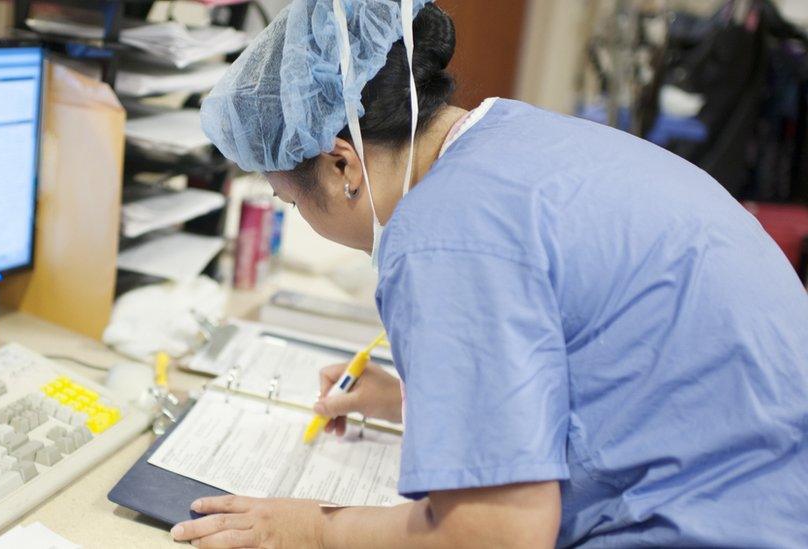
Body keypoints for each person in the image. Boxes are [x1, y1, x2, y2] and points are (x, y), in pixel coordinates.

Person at [172, 1, 808, 547]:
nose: (298, 215)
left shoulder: (441, 232)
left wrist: (310, 528)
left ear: (343, 167)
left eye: (289, 200)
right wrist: (425, 401)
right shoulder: (514, 138)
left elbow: (498, 534)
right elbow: (607, 350)